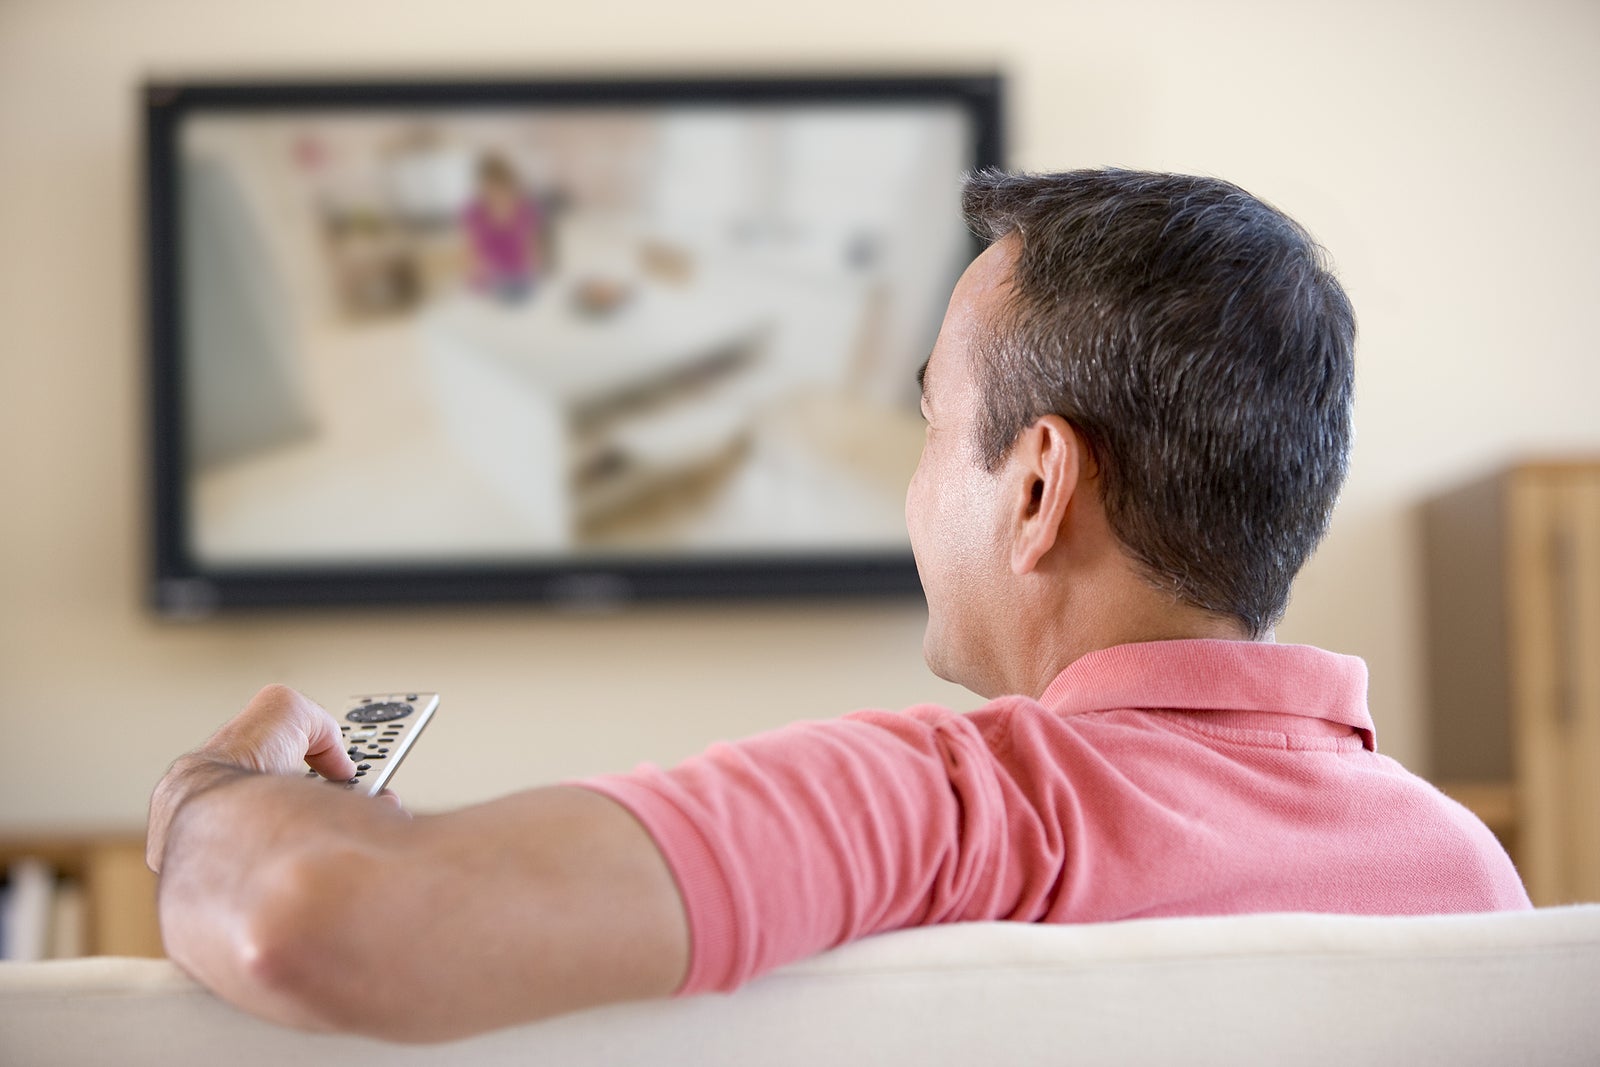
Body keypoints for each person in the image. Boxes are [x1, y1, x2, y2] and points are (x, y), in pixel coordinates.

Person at [146, 168, 1530, 1042]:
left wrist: (208, 792)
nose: (915, 482)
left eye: (932, 419)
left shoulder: (951, 808)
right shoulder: (1471, 880)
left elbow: (313, 915)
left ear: (1040, 483)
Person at [461, 153, 542, 302]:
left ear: (510, 183)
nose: (495, 192)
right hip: (488, 279)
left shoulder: (525, 208)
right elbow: (471, 248)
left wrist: (534, 274)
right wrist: (477, 272)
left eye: (500, 185)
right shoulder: (473, 211)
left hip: (520, 277)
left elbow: (531, 245)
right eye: (488, 186)